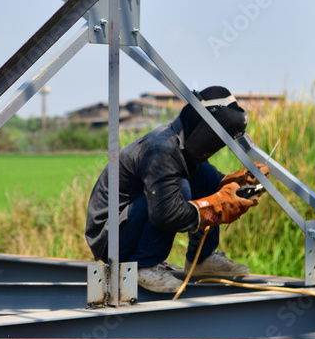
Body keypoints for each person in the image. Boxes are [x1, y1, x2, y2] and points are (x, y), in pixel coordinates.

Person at [84, 86, 268, 294]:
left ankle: (202, 258)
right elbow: (167, 213)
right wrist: (215, 207)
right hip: (111, 238)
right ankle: (144, 265)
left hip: (129, 223)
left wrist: (237, 184)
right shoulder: (162, 149)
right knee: (179, 189)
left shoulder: (180, 148)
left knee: (207, 175)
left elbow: (212, 186)